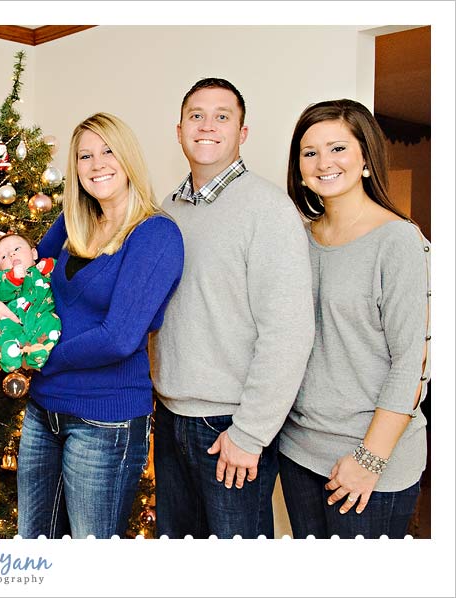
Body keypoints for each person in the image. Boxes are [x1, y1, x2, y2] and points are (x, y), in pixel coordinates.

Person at [150, 78, 314, 539]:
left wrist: (251, 433)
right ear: (179, 130)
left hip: (230, 426)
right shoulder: (168, 210)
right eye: (196, 116)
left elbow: (289, 332)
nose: (207, 126)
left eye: (223, 116)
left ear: (242, 133)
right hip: (171, 418)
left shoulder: (269, 210)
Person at [9, 112, 184, 539]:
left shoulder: (155, 235)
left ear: (128, 159)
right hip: (43, 412)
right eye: (84, 156)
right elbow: (25, 281)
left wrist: (40, 361)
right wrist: (4, 316)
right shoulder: (73, 223)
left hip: (105, 419)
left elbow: (119, 338)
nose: (96, 163)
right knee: (35, 547)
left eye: (107, 151)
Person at [278, 99, 429, 539]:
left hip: (369, 461)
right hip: (298, 449)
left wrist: (369, 460)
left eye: (338, 148)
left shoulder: (398, 240)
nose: (324, 162)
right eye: (310, 152)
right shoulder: (297, 239)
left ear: (366, 158)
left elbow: (409, 363)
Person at [0, 233, 61, 372]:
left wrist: (49, 266)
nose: (11, 255)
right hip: (15, 320)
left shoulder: (42, 270)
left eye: (17, 249)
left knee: (52, 321)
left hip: (41, 318)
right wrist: (11, 278)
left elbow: (62, 274)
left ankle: (38, 351)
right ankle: (8, 353)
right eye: (3, 257)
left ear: (34, 253)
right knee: (2, 327)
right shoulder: (1, 278)